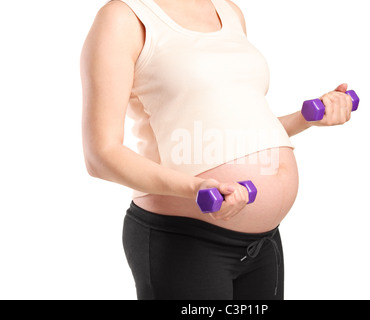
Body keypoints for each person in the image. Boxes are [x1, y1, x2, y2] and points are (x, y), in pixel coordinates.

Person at [80, 0, 353, 300]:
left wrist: (307, 118)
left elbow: (236, 131)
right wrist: (195, 188)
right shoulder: (124, 18)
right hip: (185, 237)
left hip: (263, 243)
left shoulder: (228, 11)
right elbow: (101, 155)